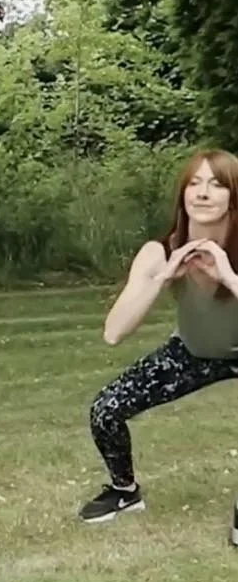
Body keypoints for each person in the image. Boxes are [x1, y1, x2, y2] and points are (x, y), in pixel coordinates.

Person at [79, 148, 238, 524]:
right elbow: (114, 332)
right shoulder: (159, 251)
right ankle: (125, 492)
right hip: (194, 352)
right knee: (106, 410)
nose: (202, 193)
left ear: (234, 196)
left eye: (216, 184)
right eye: (194, 183)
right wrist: (163, 275)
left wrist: (228, 277)